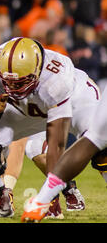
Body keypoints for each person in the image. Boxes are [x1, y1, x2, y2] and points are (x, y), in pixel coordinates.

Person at [0, 46, 84, 218]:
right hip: (6, 123)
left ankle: (68, 189)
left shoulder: (7, 83)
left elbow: (17, 144)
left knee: (35, 149)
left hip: (35, 117)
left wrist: (8, 188)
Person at [22, 85, 107, 222]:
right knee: (35, 148)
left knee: (100, 147)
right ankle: (60, 194)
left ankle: (45, 200)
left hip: (75, 95)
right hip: (37, 101)